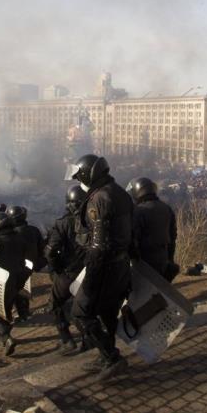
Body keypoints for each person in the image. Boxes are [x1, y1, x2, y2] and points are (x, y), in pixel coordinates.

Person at [69, 154, 133, 380]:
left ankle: (111, 357)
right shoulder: (120, 192)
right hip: (121, 264)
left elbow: (98, 244)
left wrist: (91, 277)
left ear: (89, 175)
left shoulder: (99, 199)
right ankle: (105, 355)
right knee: (107, 313)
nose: (79, 182)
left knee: (80, 312)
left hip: (104, 267)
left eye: (81, 177)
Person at [46, 184, 88, 355]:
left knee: (55, 304)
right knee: (84, 307)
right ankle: (89, 338)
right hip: (90, 270)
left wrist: (57, 270)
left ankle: (67, 340)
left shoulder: (62, 223)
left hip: (69, 272)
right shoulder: (93, 220)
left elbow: (50, 252)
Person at [0, 212, 28, 355]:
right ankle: (4, 337)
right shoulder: (19, 239)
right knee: (6, 310)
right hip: (16, 281)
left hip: (0, 282)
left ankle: (6, 337)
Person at [127, 177, 179, 282]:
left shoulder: (138, 211)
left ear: (137, 191)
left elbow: (132, 239)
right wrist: (170, 259)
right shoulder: (166, 208)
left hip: (144, 261)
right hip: (163, 258)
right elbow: (173, 237)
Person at [6, 205, 45, 322]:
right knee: (21, 287)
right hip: (32, 264)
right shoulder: (34, 230)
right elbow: (41, 248)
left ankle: (22, 314)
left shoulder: (13, 234)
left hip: (19, 267)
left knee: (16, 289)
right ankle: (24, 312)